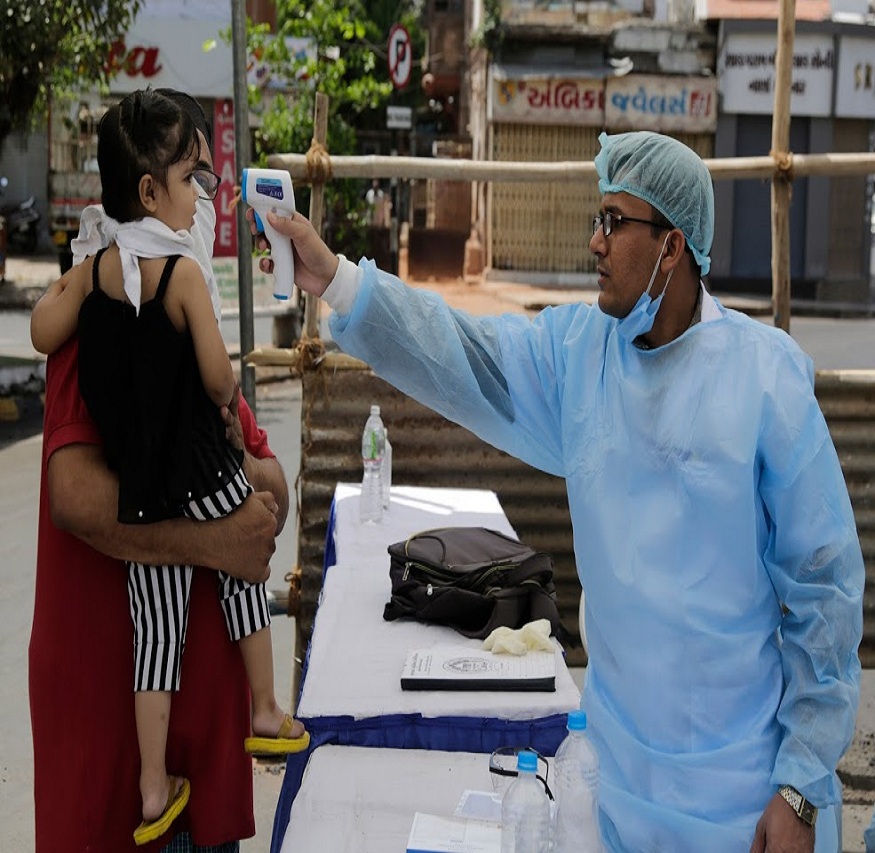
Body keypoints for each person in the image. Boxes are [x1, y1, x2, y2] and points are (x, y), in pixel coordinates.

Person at [249, 131, 865, 853]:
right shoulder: (580, 356)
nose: (594, 241)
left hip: (744, 793)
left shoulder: (764, 378)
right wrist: (337, 281)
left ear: (671, 246)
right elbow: (463, 352)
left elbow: (824, 596)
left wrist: (797, 787)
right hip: (617, 784)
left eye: (614, 221)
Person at [29, 88, 297, 853]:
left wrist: (242, 469)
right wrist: (217, 535)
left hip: (203, 744)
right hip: (114, 749)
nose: (207, 199)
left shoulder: (185, 305)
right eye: (195, 179)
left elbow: (270, 487)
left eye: (212, 180)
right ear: (147, 193)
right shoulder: (103, 313)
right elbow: (75, 495)